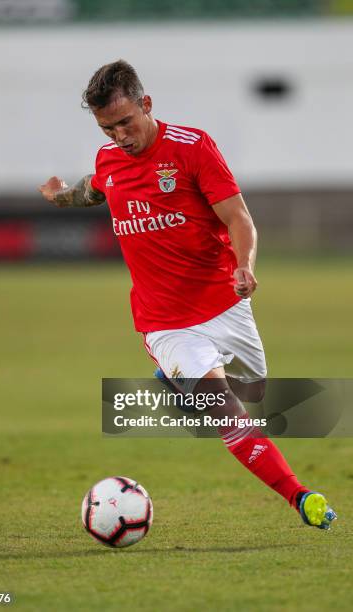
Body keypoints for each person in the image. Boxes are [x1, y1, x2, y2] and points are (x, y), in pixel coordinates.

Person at [39, 59, 336, 530]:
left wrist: (245, 266)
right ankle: (300, 496)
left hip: (224, 302)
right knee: (229, 415)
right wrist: (62, 197)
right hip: (164, 321)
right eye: (107, 127)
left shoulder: (192, 148)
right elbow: (96, 189)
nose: (118, 135)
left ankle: (174, 380)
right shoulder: (108, 158)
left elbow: (239, 218)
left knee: (255, 389)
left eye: (125, 122)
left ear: (147, 105)